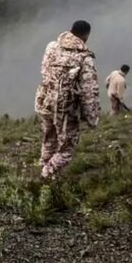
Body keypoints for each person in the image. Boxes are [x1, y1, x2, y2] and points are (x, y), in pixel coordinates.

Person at [35, 20, 100, 180]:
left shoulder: (51, 47)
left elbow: (44, 70)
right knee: (66, 149)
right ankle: (46, 175)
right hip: (65, 108)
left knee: (49, 138)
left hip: (45, 102)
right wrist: (92, 118)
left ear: (70, 31)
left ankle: (45, 167)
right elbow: (89, 91)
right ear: (86, 36)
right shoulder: (85, 58)